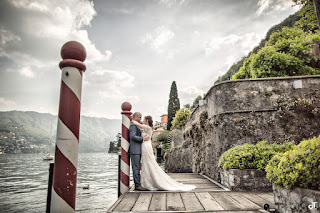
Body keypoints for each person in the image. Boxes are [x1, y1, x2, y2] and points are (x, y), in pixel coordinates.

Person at [132, 115, 196, 191]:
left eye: (144, 119)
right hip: (144, 145)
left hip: (146, 146)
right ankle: (146, 181)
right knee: (146, 163)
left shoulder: (148, 128)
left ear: (147, 121)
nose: (142, 120)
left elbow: (139, 125)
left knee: (148, 162)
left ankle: (149, 182)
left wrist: (133, 121)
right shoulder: (145, 127)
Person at [129, 112, 150, 191]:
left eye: (141, 117)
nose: (140, 119)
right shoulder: (133, 125)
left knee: (138, 168)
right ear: (135, 117)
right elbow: (133, 136)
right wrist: (143, 139)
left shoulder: (136, 125)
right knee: (136, 168)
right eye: (140, 117)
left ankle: (139, 183)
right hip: (135, 150)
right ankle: (137, 185)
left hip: (138, 150)